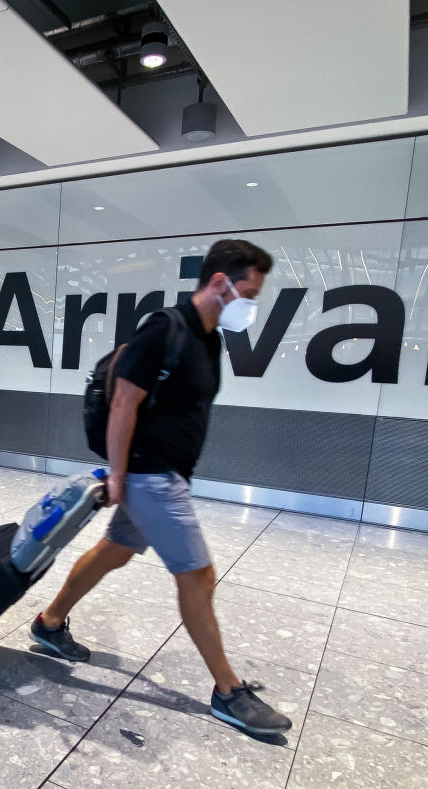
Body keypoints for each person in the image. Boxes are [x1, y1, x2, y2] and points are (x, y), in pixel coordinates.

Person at [30, 239, 292, 737]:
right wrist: (120, 475)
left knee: (115, 551)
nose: (253, 304)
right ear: (221, 283)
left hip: (163, 473)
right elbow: (125, 401)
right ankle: (227, 692)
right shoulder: (163, 328)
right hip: (150, 476)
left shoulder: (209, 338)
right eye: (250, 292)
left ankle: (48, 624)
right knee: (199, 577)